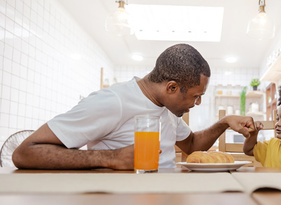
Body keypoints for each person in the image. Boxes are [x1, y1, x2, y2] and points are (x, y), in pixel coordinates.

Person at [12, 44, 257, 169]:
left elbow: (192, 144)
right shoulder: (112, 102)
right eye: (196, 96)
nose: (197, 103)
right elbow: (24, 152)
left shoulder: (166, 108)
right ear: (171, 87)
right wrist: (112, 158)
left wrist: (224, 123)